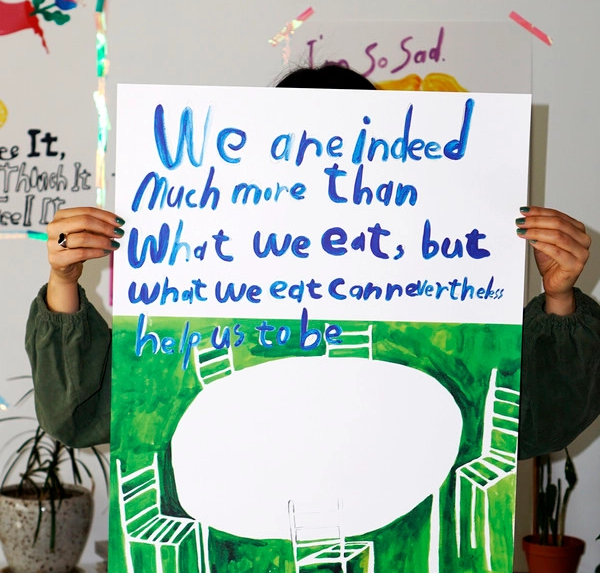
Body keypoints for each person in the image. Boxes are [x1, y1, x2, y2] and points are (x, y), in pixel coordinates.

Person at [25, 65, 600, 458]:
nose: (326, 185)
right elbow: (81, 415)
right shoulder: (209, 289)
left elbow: (534, 424)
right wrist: (64, 281)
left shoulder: (433, 305)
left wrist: (559, 298)